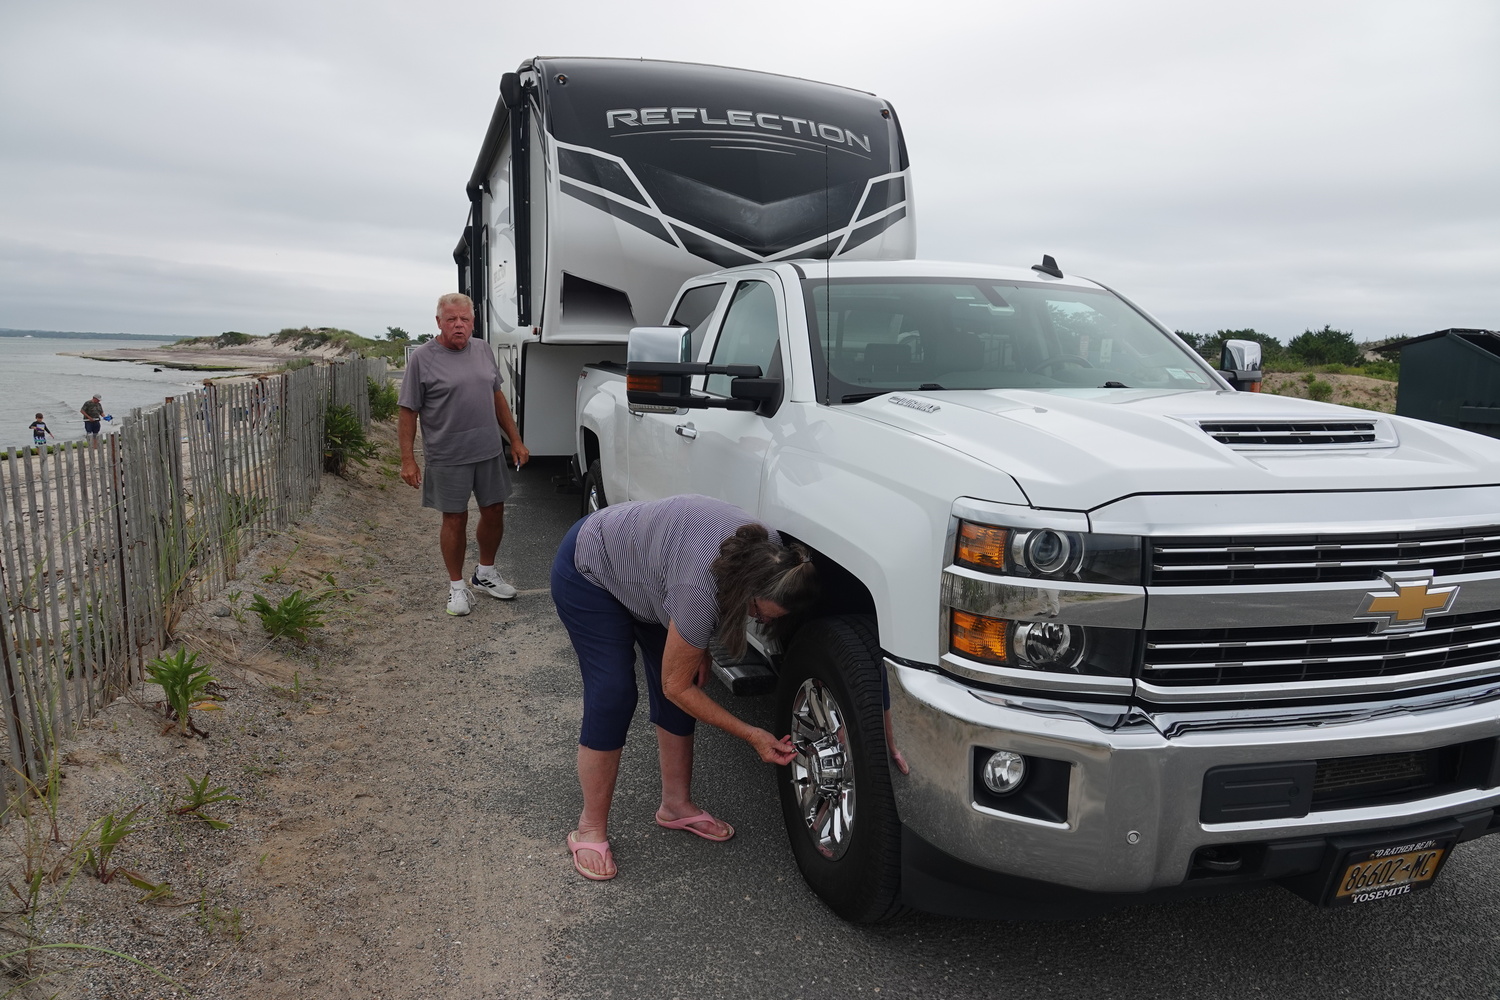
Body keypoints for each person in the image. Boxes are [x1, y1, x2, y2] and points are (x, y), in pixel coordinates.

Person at [550, 494, 819, 881]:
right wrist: (751, 734)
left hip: (653, 579)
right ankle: (590, 828)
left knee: (686, 680)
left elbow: (702, 609)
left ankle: (676, 805)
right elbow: (675, 685)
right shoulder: (699, 589)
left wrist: (699, 645)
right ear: (746, 590)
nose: (758, 620)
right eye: (758, 612)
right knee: (613, 695)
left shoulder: (778, 560)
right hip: (592, 569)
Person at [398, 293, 529, 616]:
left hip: (487, 450)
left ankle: (485, 573)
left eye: (465, 319)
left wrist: (515, 439)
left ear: (473, 321)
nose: (459, 325)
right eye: (452, 319)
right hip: (447, 454)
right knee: (455, 518)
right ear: (439, 322)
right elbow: (407, 411)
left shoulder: (482, 349)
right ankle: (457, 588)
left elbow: (496, 396)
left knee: (495, 510)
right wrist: (408, 459)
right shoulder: (423, 359)